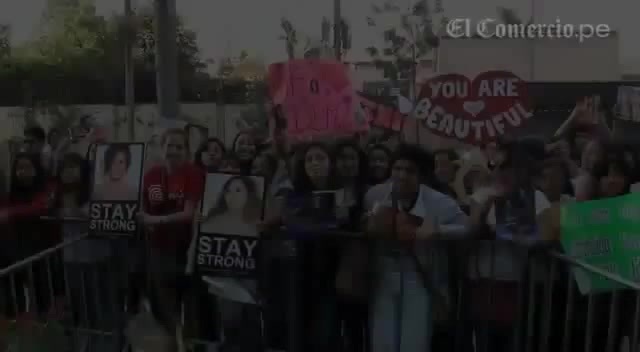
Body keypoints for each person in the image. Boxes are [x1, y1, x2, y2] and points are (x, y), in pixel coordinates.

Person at [365, 144, 468, 352]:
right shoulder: (375, 195)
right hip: (383, 275)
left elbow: (469, 228)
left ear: (422, 175)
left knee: (414, 343)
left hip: (420, 278)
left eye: (410, 170)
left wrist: (438, 231)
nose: (402, 175)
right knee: (381, 343)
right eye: (397, 168)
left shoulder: (441, 203)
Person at [139, 128, 204, 351]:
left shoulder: (193, 173)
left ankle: (189, 344)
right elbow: (143, 208)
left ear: (187, 151)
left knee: (191, 306)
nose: (173, 150)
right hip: (158, 250)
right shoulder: (151, 175)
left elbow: (188, 213)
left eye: (179, 146)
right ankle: (170, 345)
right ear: (162, 147)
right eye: (169, 145)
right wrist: (145, 220)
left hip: (187, 250)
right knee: (163, 306)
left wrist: (155, 220)